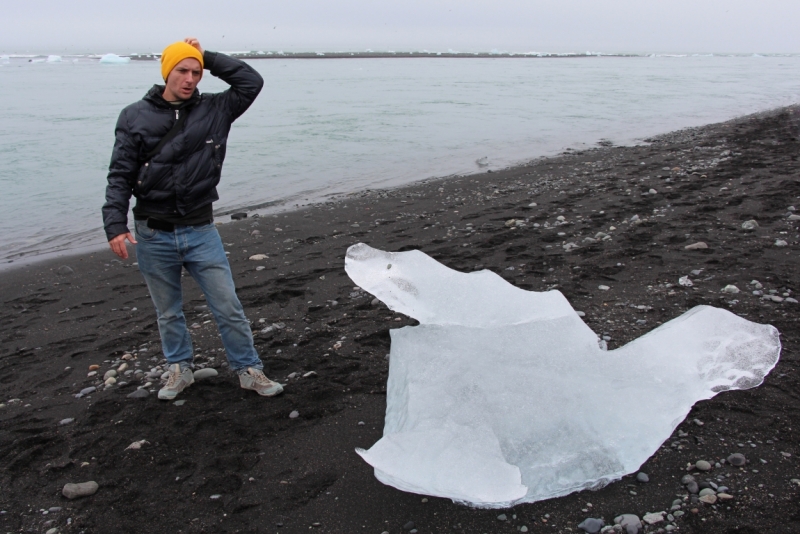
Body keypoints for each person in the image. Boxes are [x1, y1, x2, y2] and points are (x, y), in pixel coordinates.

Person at [102, 37, 283, 400]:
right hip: (153, 232)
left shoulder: (216, 109)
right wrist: (115, 225)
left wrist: (208, 56)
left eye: (196, 72)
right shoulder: (134, 115)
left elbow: (251, 82)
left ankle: (248, 369)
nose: (189, 79)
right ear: (167, 71)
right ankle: (179, 369)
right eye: (182, 70)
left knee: (228, 306)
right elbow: (120, 174)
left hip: (200, 230)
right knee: (168, 312)